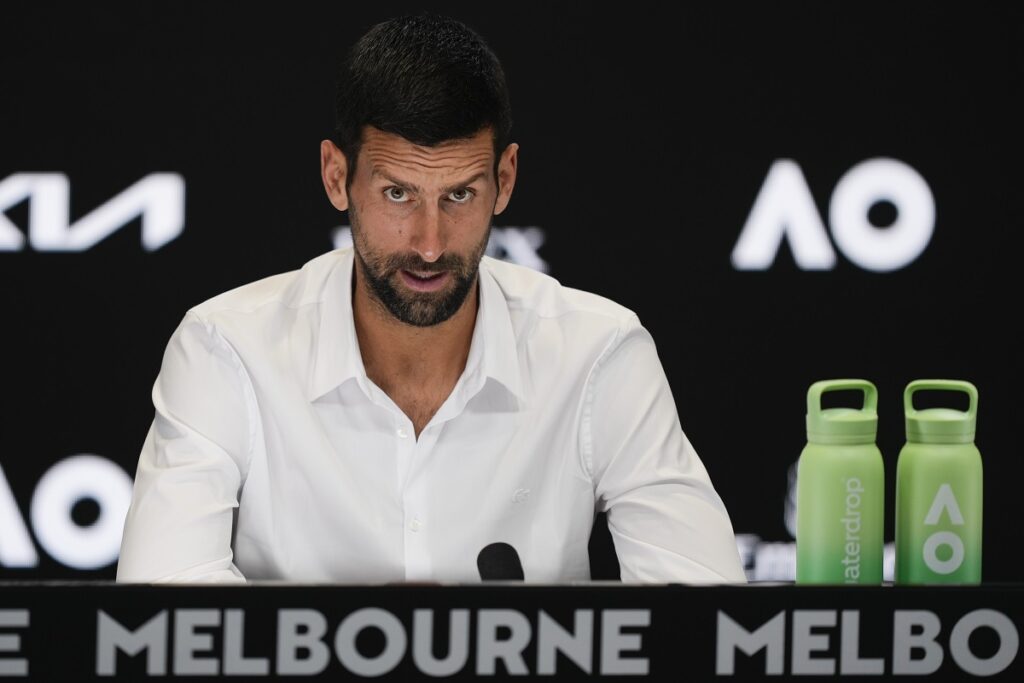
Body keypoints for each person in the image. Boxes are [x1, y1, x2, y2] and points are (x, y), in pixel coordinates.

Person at [116, 13, 746, 584]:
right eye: (397, 195)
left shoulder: (600, 353)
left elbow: (698, 613)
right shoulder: (226, 350)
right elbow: (165, 608)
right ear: (338, 177)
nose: (428, 243)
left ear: (505, 180)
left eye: (460, 195)